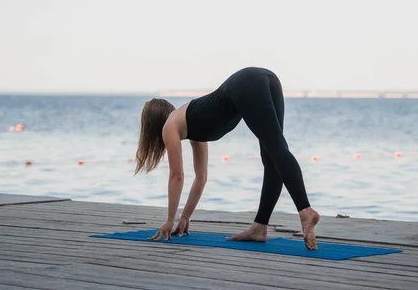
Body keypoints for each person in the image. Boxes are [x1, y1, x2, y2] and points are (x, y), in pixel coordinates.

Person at [134, 66, 320, 250]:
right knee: (272, 155)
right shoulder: (192, 125)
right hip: (266, 78)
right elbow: (201, 178)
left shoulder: (170, 125)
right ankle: (259, 227)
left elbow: (177, 176)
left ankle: (305, 211)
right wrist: (184, 217)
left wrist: (168, 220)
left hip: (247, 82)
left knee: (276, 149)